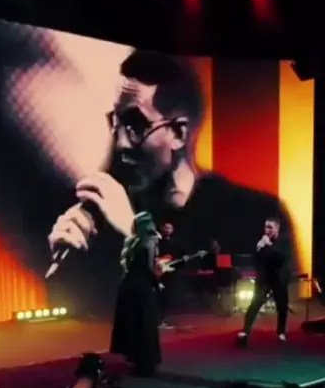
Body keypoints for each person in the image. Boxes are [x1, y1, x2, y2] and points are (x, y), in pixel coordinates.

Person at [48, 50, 296, 290]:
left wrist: (134, 237)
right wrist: (68, 264)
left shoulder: (255, 215)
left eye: (136, 124)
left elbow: (208, 304)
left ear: (178, 133)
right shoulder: (106, 215)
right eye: (116, 121)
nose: (121, 143)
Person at [111, 211, 161, 376]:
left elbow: (127, 265)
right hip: (142, 289)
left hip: (127, 287)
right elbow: (147, 268)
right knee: (145, 326)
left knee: (134, 326)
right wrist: (157, 283)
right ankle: (146, 366)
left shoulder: (131, 241)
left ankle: (138, 362)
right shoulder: (150, 241)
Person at [237, 218, 292, 346]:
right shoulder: (263, 242)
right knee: (255, 304)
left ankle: (281, 332)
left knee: (282, 306)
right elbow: (255, 260)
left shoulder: (284, 241)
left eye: (270, 227)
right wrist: (258, 248)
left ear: (277, 228)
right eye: (266, 227)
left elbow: (282, 257)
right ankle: (245, 332)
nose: (267, 230)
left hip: (279, 279)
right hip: (265, 279)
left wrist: (269, 245)